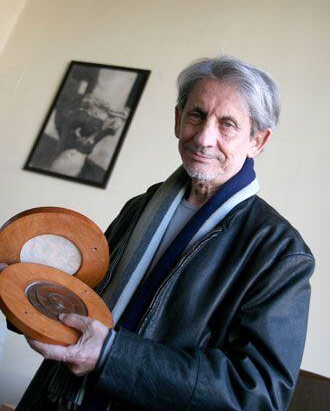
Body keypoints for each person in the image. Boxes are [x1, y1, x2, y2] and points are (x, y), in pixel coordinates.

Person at [5, 56, 314, 410]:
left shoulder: (281, 252)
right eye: (196, 115)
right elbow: (85, 301)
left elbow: (257, 392)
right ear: (178, 119)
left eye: (227, 124)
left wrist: (111, 355)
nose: (203, 138)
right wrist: (23, 285)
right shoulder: (143, 205)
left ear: (258, 140)